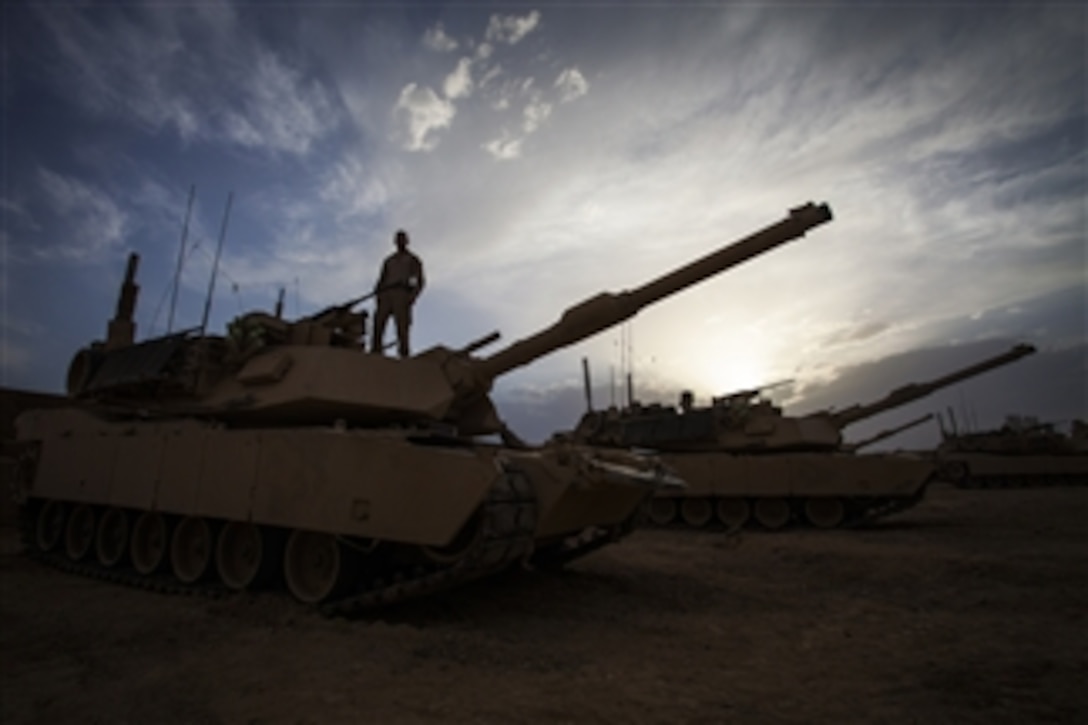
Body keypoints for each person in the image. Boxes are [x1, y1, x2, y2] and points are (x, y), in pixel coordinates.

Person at [371, 229, 425, 358]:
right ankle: (376, 351)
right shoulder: (389, 260)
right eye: (398, 239)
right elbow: (381, 279)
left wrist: (412, 296)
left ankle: (403, 354)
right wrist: (378, 294)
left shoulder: (413, 259)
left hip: (402, 293)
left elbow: (420, 281)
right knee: (378, 323)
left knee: (402, 327)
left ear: (407, 241)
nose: (400, 242)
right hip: (387, 293)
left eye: (402, 239)